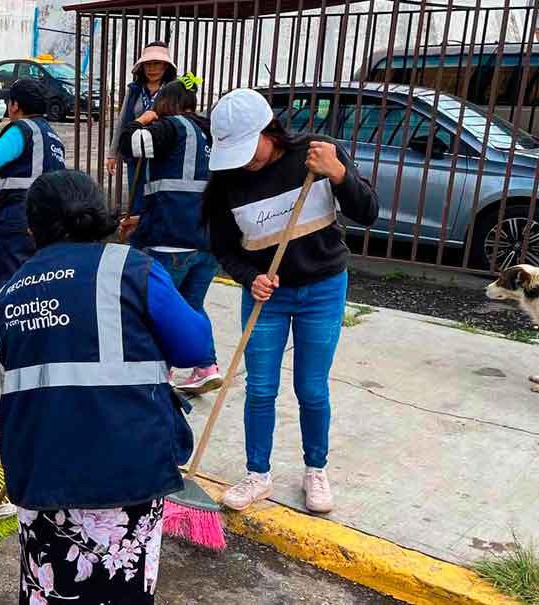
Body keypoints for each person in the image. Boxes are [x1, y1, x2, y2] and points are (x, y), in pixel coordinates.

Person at [0, 170, 212, 605]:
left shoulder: (10, 291)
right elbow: (195, 348)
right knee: (122, 589)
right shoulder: (131, 267)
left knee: (51, 586)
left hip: (41, 470)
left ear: (32, 229)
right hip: (128, 466)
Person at [202, 89, 378, 514]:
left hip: (322, 288)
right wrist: (250, 277)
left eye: (250, 150)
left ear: (269, 130)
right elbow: (223, 248)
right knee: (260, 389)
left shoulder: (315, 155)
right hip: (269, 296)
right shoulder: (228, 181)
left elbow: (368, 210)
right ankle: (257, 474)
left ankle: (315, 470)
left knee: (312, 389)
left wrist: (339, 175)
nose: (245, 162)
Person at [118, 78, 222, 394]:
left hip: (171, 239)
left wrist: (140, 120)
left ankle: (158, 374)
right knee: (191, 307)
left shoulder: (171, 128)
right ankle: (206, 365)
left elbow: (129, 145)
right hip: (208, 241)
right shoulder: (209, 133)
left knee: (158, 310)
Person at [0, 78, 67, 296]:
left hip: (19, 218)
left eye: (9, 101)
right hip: (47, 220)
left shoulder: (22, 129)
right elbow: (30, 178)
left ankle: (2, 327)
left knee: (9, 285)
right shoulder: (52, 136)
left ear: (15, 105)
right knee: (37, 283)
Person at [106, 42, 178, 215]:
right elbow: (123, 122)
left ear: (166, 66)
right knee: (136, 199)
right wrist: (112, 154)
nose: (152, 69)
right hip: (136, 154)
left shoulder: (173, 91)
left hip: (162, 154)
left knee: (159, 198)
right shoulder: (134, 91)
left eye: (157, 64)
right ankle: (138, 235)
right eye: (148, 64)